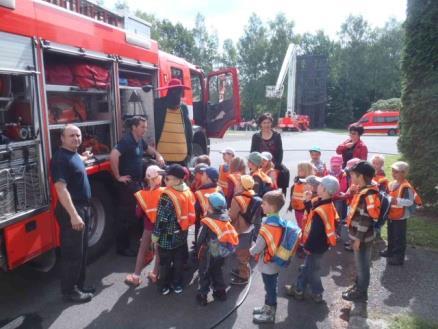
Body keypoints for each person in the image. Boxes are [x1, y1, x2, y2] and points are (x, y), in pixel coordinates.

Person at [51, 124, 94, 303]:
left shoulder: (73, 154)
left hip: (82, 208)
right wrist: (74, 215)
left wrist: (83, 158)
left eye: (78, 135)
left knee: (82, 252)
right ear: (62, 138)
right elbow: (61, 189)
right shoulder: (60, 158)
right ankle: (70, 291)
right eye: (71, 136)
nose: (76, 138)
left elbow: (75, 163)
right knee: (72, 254)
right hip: (72, 210)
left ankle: (80, 286)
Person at [110, 116, 164, 257]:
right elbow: (114, 155)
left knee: (137, 214)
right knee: (125, 216)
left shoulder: (139, 140)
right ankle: (122, 248)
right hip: (127, 184)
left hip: (137, 183)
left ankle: (139, 242)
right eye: (142, 127)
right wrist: (118, 176)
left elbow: (149, 149)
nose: (145, 129)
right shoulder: (127, 141)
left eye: (145, 127)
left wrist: (158, 155)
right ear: (134, 127)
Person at [285, 176, 339, 303]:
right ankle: (299, 289)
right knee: (308, 267)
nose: (317, 187)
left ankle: (317, 292)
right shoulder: (325, 202)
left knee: (312, 271)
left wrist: (307, 247)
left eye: (319, 185)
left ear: (324, 189)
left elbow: (315, 232)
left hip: (315, 246)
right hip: (321, 245)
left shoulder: (321, 209)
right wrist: (308, 202)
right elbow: (312, 212)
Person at [152, 164, 196, 295]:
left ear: (177, 180)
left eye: (167, 178)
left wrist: (155, 235)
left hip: (167, 235)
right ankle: (177, 284)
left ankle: (164, 286)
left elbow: (161, 219)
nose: (164, 180)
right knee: (178, 261)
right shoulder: (187, 191)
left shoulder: (167, 196)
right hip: (182, 232)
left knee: (165, 262)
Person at [342, 161, 381, 302]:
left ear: (361, 176)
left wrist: (358, 239)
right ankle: (358, 286)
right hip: (359, 236)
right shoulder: (364, 189)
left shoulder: (368, 195)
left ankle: (361, 292)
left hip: (362, 238)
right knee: (360, 265)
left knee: (362, 266)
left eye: (352, 174)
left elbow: (365, 219)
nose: (350, 176)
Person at [250, 190, 287, 324]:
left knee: (270, 288)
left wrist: (252, 250)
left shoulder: (267, 226)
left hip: (268, 264)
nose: (262, 206)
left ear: (271, 207)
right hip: (275, 261)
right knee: (271, 286)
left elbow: (259, 246)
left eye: (264, 204)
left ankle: (270, 314)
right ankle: (267, 308)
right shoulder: (279, 221)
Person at [125, 165, 165, 287]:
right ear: (158, 178)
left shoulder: (141, 194)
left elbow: (138, 214)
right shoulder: (165, 191)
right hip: (161, 226)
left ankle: (136, 277)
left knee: (142, 250)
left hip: (148, 227)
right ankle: (155, 273)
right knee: (158, 250)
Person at [196, 193, 239, 306]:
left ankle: (203, 295)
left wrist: (197, 250)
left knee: (204, 272)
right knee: (217, 270)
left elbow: (200, 239)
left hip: (210, 251)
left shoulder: (207, 222)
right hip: (221, 250)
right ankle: (220, 292)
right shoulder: (225, 219)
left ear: (210, 207)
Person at [381, 161, 422, 265]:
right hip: (391, 214)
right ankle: (390, 251)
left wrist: (397, 201)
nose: (393, 173)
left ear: (403, 173)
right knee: (391, 234)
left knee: (399, 237)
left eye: (396, 172)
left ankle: (398, 258)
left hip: (400, 217)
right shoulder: (391, 184)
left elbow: (410, 201)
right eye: (393, 171)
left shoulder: (406, 186)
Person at [154, 78, 193, 166]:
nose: (177, 95)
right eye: (174, 92)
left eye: (179, 92)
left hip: (181, 158)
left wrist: (189, 153)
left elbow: (189, 131)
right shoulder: (158, 104)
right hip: (162, 158)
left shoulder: (183, 108)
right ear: (169, 91)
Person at [251, 113, 289, 194]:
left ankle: (282, 195)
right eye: (264, 123)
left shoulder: (276, 135)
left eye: (268, 122)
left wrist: (276, 165)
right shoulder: (256, 136)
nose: (266, 125)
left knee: (285, 172)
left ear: (271, 123)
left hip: (273, 163)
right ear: (260, 124)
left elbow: (280, 151)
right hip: (260, 164)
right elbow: (253, 152)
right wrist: (255, 165)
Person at [229, 175, 257, 285]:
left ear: (241, 185)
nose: (236, 185)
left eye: (238, 183)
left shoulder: (237, 198)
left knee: (241, 254)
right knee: (244, 251)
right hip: (249, 228)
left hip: (240, 229)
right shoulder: (252, 195)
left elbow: (232, 216)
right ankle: (242, 270)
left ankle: (244, 276)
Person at [193, 166, 222, 250]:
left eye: (204, 175)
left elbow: (197, 211)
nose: (202, 176)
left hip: (203, 223)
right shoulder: (219, 189)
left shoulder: (199, 192)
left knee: (201, 245)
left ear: (208, 179)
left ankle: (198, 251)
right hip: (217, 222)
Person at [288, 162, 315, 230]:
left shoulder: (310, 182)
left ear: (307, 171)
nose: (298, 172)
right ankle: (302, 236)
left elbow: (313, 196)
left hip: (305, 209)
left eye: (300, 170)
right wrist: (291, 204)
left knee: (305, 225)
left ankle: (304, 237)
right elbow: (293, 192)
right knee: (299, 224)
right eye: (298, 170)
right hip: (297, 208)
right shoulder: (297, 181)